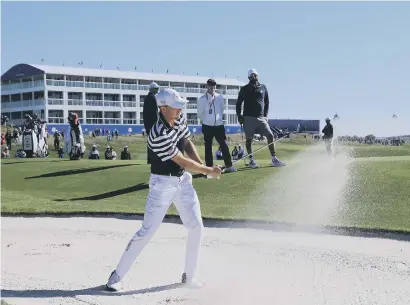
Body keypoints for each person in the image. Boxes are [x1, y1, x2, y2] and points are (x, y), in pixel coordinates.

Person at [105, 88, 223, 292]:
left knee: (196, 226)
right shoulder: (157, 134)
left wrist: (203, 167)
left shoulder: (178, 117)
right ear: (163, 108)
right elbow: (178, 158)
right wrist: (206, 170)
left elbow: (186, 142)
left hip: (183, 182)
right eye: (176, 107)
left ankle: (190, 276)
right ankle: (116, 276)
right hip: (162, 185)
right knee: (147, 232)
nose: (180, 110)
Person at [236, 69, 286, 168]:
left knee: (270, 135)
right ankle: (251, 161)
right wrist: (239, 115)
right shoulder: (245, 89)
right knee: (249, 139)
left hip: (261, 118)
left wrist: (265, 115)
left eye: (255, 75)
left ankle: (274, 159)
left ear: (257, 76)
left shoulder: (263, 87)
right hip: (248, 117)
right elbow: (238, 103)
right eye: (251, 76)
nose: (253, 77)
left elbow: (267, 102)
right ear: (249, 78)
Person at [197, 78, 237, 173]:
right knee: (208, 147)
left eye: (214, 85)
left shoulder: (220, 97)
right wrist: (206, 121)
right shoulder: (202, 99)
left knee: (224, 144)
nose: (213, 87)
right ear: (207, 86)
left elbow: (222, 110)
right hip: (207, 126)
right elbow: (199, 114)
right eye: (211, 85)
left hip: (219, 125)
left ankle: (229, 165)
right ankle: (209, 168)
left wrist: (217, 120)